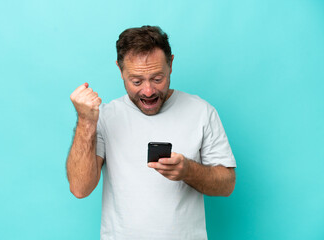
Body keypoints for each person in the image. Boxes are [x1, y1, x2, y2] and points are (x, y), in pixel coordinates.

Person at [66, 25, 236, 240]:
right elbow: (80, 188)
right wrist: (85, 121)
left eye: (157, 79)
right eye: (137, 81)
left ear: (171, 64)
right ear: (120, 70)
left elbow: (227, 185)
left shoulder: (202, 111)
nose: (148, 91)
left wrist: (188, 171)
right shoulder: (106, 116)